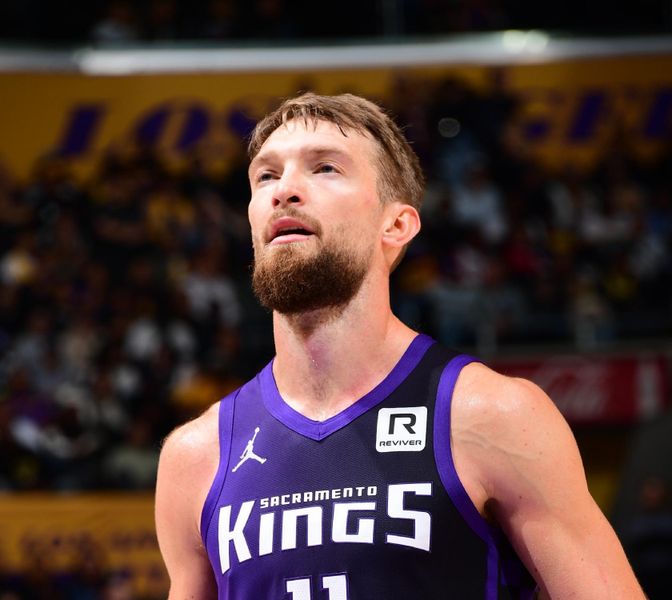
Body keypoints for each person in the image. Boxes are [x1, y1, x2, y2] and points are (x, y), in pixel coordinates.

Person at [154, 92, 645, 599]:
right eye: (266, 176)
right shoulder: (196, 456)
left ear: (397, 224)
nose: (285, 190)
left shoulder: (492, 415)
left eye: (325, 168)